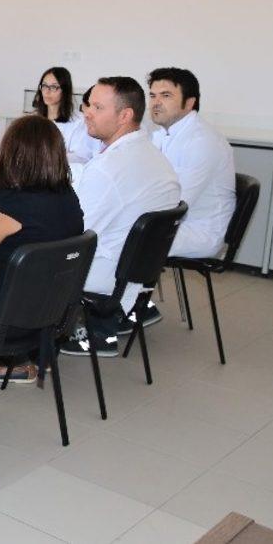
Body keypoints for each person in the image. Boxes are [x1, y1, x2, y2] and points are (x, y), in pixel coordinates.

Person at [0, 115, 84, 382]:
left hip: (2, 320)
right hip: (49, 313)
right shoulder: (70, 200)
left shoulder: (9, 208)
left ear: (11, 155)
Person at [60, 77, 180, 358]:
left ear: (125, 116)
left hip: (103, 273)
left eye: (97, 107)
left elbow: (72, 232)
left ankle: (12, 345)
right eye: (88, 105)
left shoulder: (108, 168)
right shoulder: (155, 157)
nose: (87, 113)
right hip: (136, 273)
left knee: (14, 254)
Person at [148, 67, 235, 258]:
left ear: (189, 103)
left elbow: (176, 204)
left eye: (166, 96)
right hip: (175, 223)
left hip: (198, 231)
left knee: (120, 235)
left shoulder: (202, 142)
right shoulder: (161, 134)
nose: (156, 103)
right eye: (153, 96)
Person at [32, 66, 99, 164]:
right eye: (44, 86)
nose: (47, 92)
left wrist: (47, 157)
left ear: (65, 90)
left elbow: (82, 157)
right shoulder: (34, 119)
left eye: (53, 87)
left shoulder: (79, 121)